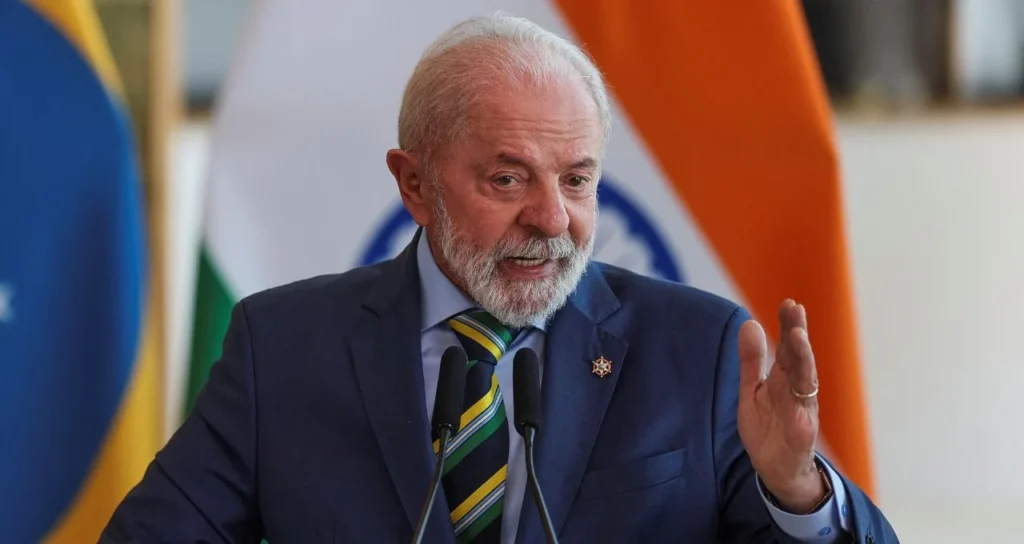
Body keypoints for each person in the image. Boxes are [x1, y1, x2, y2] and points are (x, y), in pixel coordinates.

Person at [102, 13, 898, 544]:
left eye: (577, 180)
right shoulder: (283, 348)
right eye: (508, 179)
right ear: (415, 184)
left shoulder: (698, 348)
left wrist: (797, 491)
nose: (552, 219)